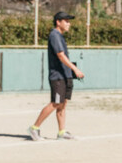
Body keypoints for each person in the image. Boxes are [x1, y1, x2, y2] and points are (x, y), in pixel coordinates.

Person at [28, 11, 84, 141]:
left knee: (63, 104)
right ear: (58, 22)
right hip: (57, 76)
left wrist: (70, 72)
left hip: (65, 75)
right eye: (66, 21)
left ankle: (61, 132)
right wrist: (75, 69)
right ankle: (34, 128)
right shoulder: (55, 35)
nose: (69, 24)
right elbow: (60, 55)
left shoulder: (60, 36)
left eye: (69, 21)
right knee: (55, 103)